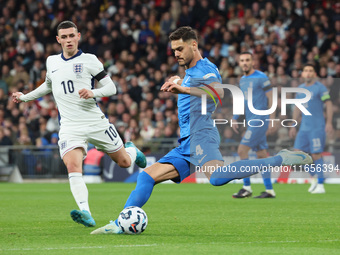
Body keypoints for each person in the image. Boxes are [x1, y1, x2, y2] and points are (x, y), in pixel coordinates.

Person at [91, 26, 312, 235]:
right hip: (186, 141)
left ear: (194, 45)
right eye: (174, 50)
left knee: (216, 178)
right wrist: (181, 84)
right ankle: (120, 223)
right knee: (146, 177)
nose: (176, 53)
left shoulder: (204, 69)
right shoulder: (191, 72)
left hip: (202, 133)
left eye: (180, 49)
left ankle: (279, 158)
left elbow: (218, 94)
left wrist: (183, 87)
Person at [12, 21, 146, 227]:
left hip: (94, 121)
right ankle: (86, 212)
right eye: (63, 37)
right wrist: (25, 98)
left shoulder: (90, 60)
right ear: (58, 40)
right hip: (69, 126)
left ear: (78, 36)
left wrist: (94, 92)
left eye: (71, 36)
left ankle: (133, 152)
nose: (68, 40)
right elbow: (47, 85)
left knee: (125, 163)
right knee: (73, 166)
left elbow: (111, 88)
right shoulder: (52, 62)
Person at [231, 52, 276, 199]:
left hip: (260, 120)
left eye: (247, 60)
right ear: (239, 63)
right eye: (242, 60)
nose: (244, 63)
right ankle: (269, 190)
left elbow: (271, 98)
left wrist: (272, 119)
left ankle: (246, 187)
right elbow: (242, 101)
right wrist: (235, 117)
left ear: (252, 62)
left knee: (242, 150)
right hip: (252, 120)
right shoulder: (243, 80)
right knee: (261, 155)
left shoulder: (261, 77)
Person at [289, 64, 333, 194]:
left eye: (310, 71)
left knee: (315, 155)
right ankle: (315, 177)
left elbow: (329, 104)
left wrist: (329, 122)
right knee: (297, 154)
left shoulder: (320, 88)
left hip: (316, 127)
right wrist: (293, 125)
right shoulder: (300, 89)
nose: (308, 73)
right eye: (306, 71)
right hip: (304, 128)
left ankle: (320, 185)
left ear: (314, 74)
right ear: (302, 74)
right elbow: (297, 108)